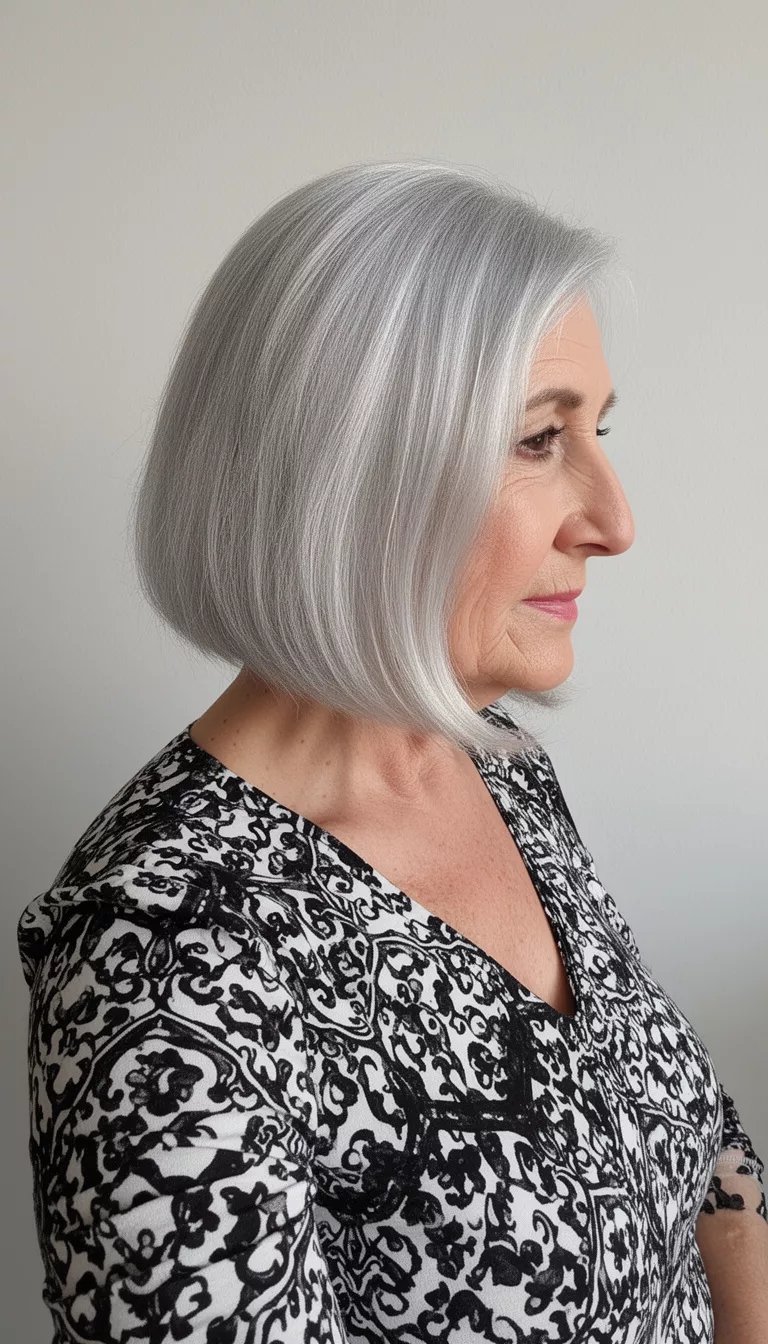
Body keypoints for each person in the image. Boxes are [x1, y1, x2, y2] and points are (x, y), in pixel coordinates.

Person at [18, 160, 768, 1343]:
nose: (615, 521)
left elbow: (680, 1119)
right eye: (538, 440)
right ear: (353, 475)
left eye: (599, 431)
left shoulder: (491, 759)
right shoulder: (166, 950)